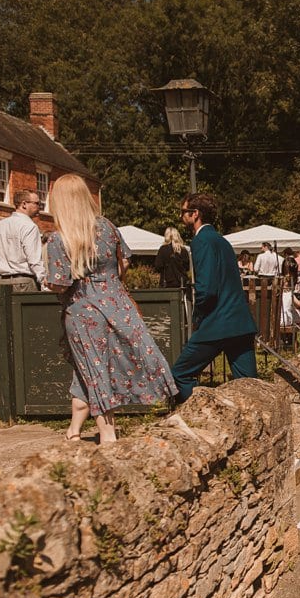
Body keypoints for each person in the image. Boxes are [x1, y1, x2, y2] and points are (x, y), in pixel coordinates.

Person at [44, 175, 177, 444]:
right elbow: (125, 261)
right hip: (118, 303)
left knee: (94, 370)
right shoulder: (107, 227)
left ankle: (108, 435)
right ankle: (74, 429)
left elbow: (59, 284)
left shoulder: (59, 239)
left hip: (83, 310)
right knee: (101, 365)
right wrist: (108, 281)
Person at [171, 193, 259, 402]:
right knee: (251, 388)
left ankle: (201, 417)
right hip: (240, 323)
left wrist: (197, 318)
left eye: (184, 212)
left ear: (195, 214)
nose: (181, 216)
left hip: (217, 324)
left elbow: (207, 289)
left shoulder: (201, 241)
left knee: (180, 374)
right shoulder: (222, 240)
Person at [0, 189, 45, 384]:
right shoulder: (29, 227)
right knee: (27, 326)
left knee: (2, 325)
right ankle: (27, 370)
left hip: (0, 280)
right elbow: (34, 260)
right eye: (36, 203)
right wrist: (44, 282)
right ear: (23, 204)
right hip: (23, 280)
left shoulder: (0, 225)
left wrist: (5, 258)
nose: (39, 207)